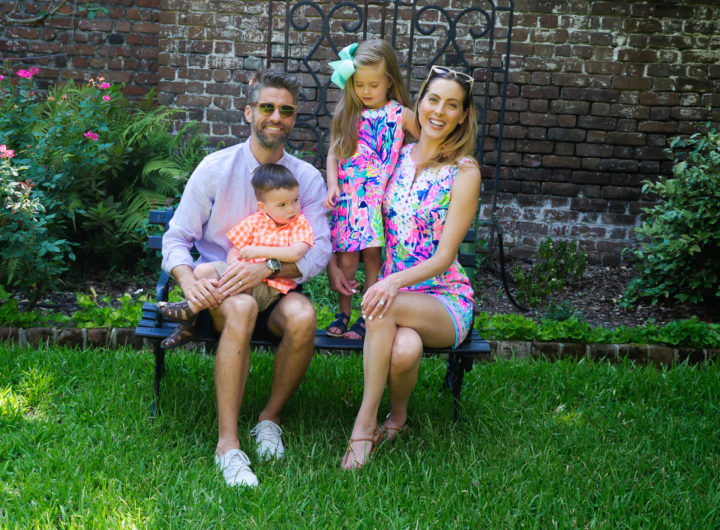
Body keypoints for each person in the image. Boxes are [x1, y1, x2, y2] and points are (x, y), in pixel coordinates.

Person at [162, 69, 333, 488]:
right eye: (268, 107)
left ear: (294, 119)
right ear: (249, 112)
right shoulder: (216, 168)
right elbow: (177, 238)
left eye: (286, 110)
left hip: (277, 288)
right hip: (221, 292)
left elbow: (320, 249)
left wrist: (270, 267)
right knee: (239, 305)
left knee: (305, 316)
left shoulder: (305, 178)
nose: (277, 116)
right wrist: (188, 283)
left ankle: (268, 420)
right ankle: (228, 445)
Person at [340, 65, 482, 469]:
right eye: (433, 99)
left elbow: (442, 257)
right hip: (397, 293)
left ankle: (363, 424)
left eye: (452, 105)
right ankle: (397, 417)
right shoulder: (399, 155)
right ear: (418, 103)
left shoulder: (464, 172)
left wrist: (392, 282)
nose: (439, 111)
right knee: (404, 351)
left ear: (462, 115)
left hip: (444, 297)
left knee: (382, 302)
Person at [157, 163, 314, 348]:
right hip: (241, 278)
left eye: (295, 200)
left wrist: (260, 252)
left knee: (238, 283)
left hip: (269, 287)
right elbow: (235, 249)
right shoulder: (255, 222)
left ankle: (191, 311)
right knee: (203, 271)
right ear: (263, 207)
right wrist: (233, 264)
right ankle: (191, 320)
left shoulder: (298, 224)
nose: (292, 209)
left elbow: (296, 252)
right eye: (282, 204)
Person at [323, 39, 419, 340]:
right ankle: (343, 312)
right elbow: (333, 153)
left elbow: (425, 143)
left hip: (379, 201)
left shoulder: (400, 114)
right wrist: (332, 184)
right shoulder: (348, 113)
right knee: (348, 260)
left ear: (389, 83)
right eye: (359, 84)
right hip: (350, 201)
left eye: (373, 85)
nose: (365, 91)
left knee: (374, 259)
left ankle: (368, 315)